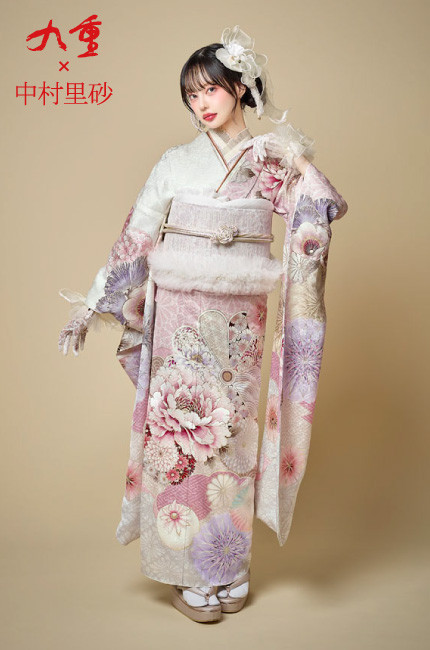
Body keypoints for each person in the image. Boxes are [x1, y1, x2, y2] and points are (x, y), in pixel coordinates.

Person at [58, 25, 348, 623]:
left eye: (211, 89)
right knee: (181, 439)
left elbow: (314, 210)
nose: (201, 103)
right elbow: (137, 236)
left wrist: (297, 160)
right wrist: (91, 303)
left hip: (240, 316)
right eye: (191, 95)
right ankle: (185, 572)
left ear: (240, 87)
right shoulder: (176, 163)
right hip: (180, 313)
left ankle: (228, 565)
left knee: (232, 437)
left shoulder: (267, 158)